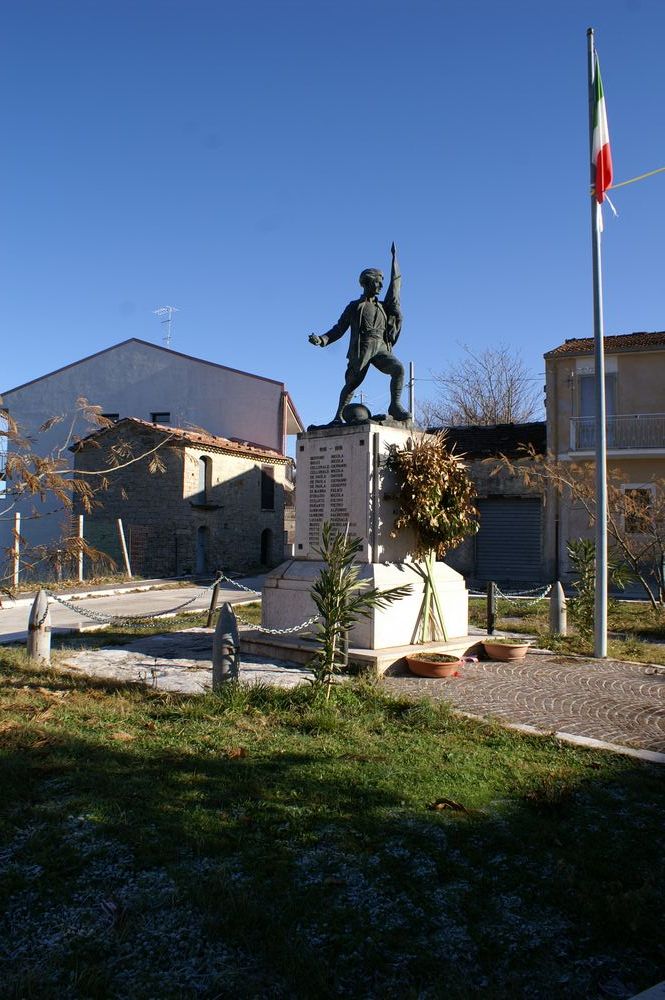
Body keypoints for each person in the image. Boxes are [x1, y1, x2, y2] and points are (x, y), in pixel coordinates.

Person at [308, 243, 410, 424]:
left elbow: (395, 288)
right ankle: (338, 416)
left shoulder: (383, 307)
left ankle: (394, 404)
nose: (380, 285)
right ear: (367, 283)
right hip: (361, 349)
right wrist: (322, 340)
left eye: (382, 282)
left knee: (398, 369)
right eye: (377, 282)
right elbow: (339, 329)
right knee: (352, 384)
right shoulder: (355, 306)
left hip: (380, 347)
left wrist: (395, 262)